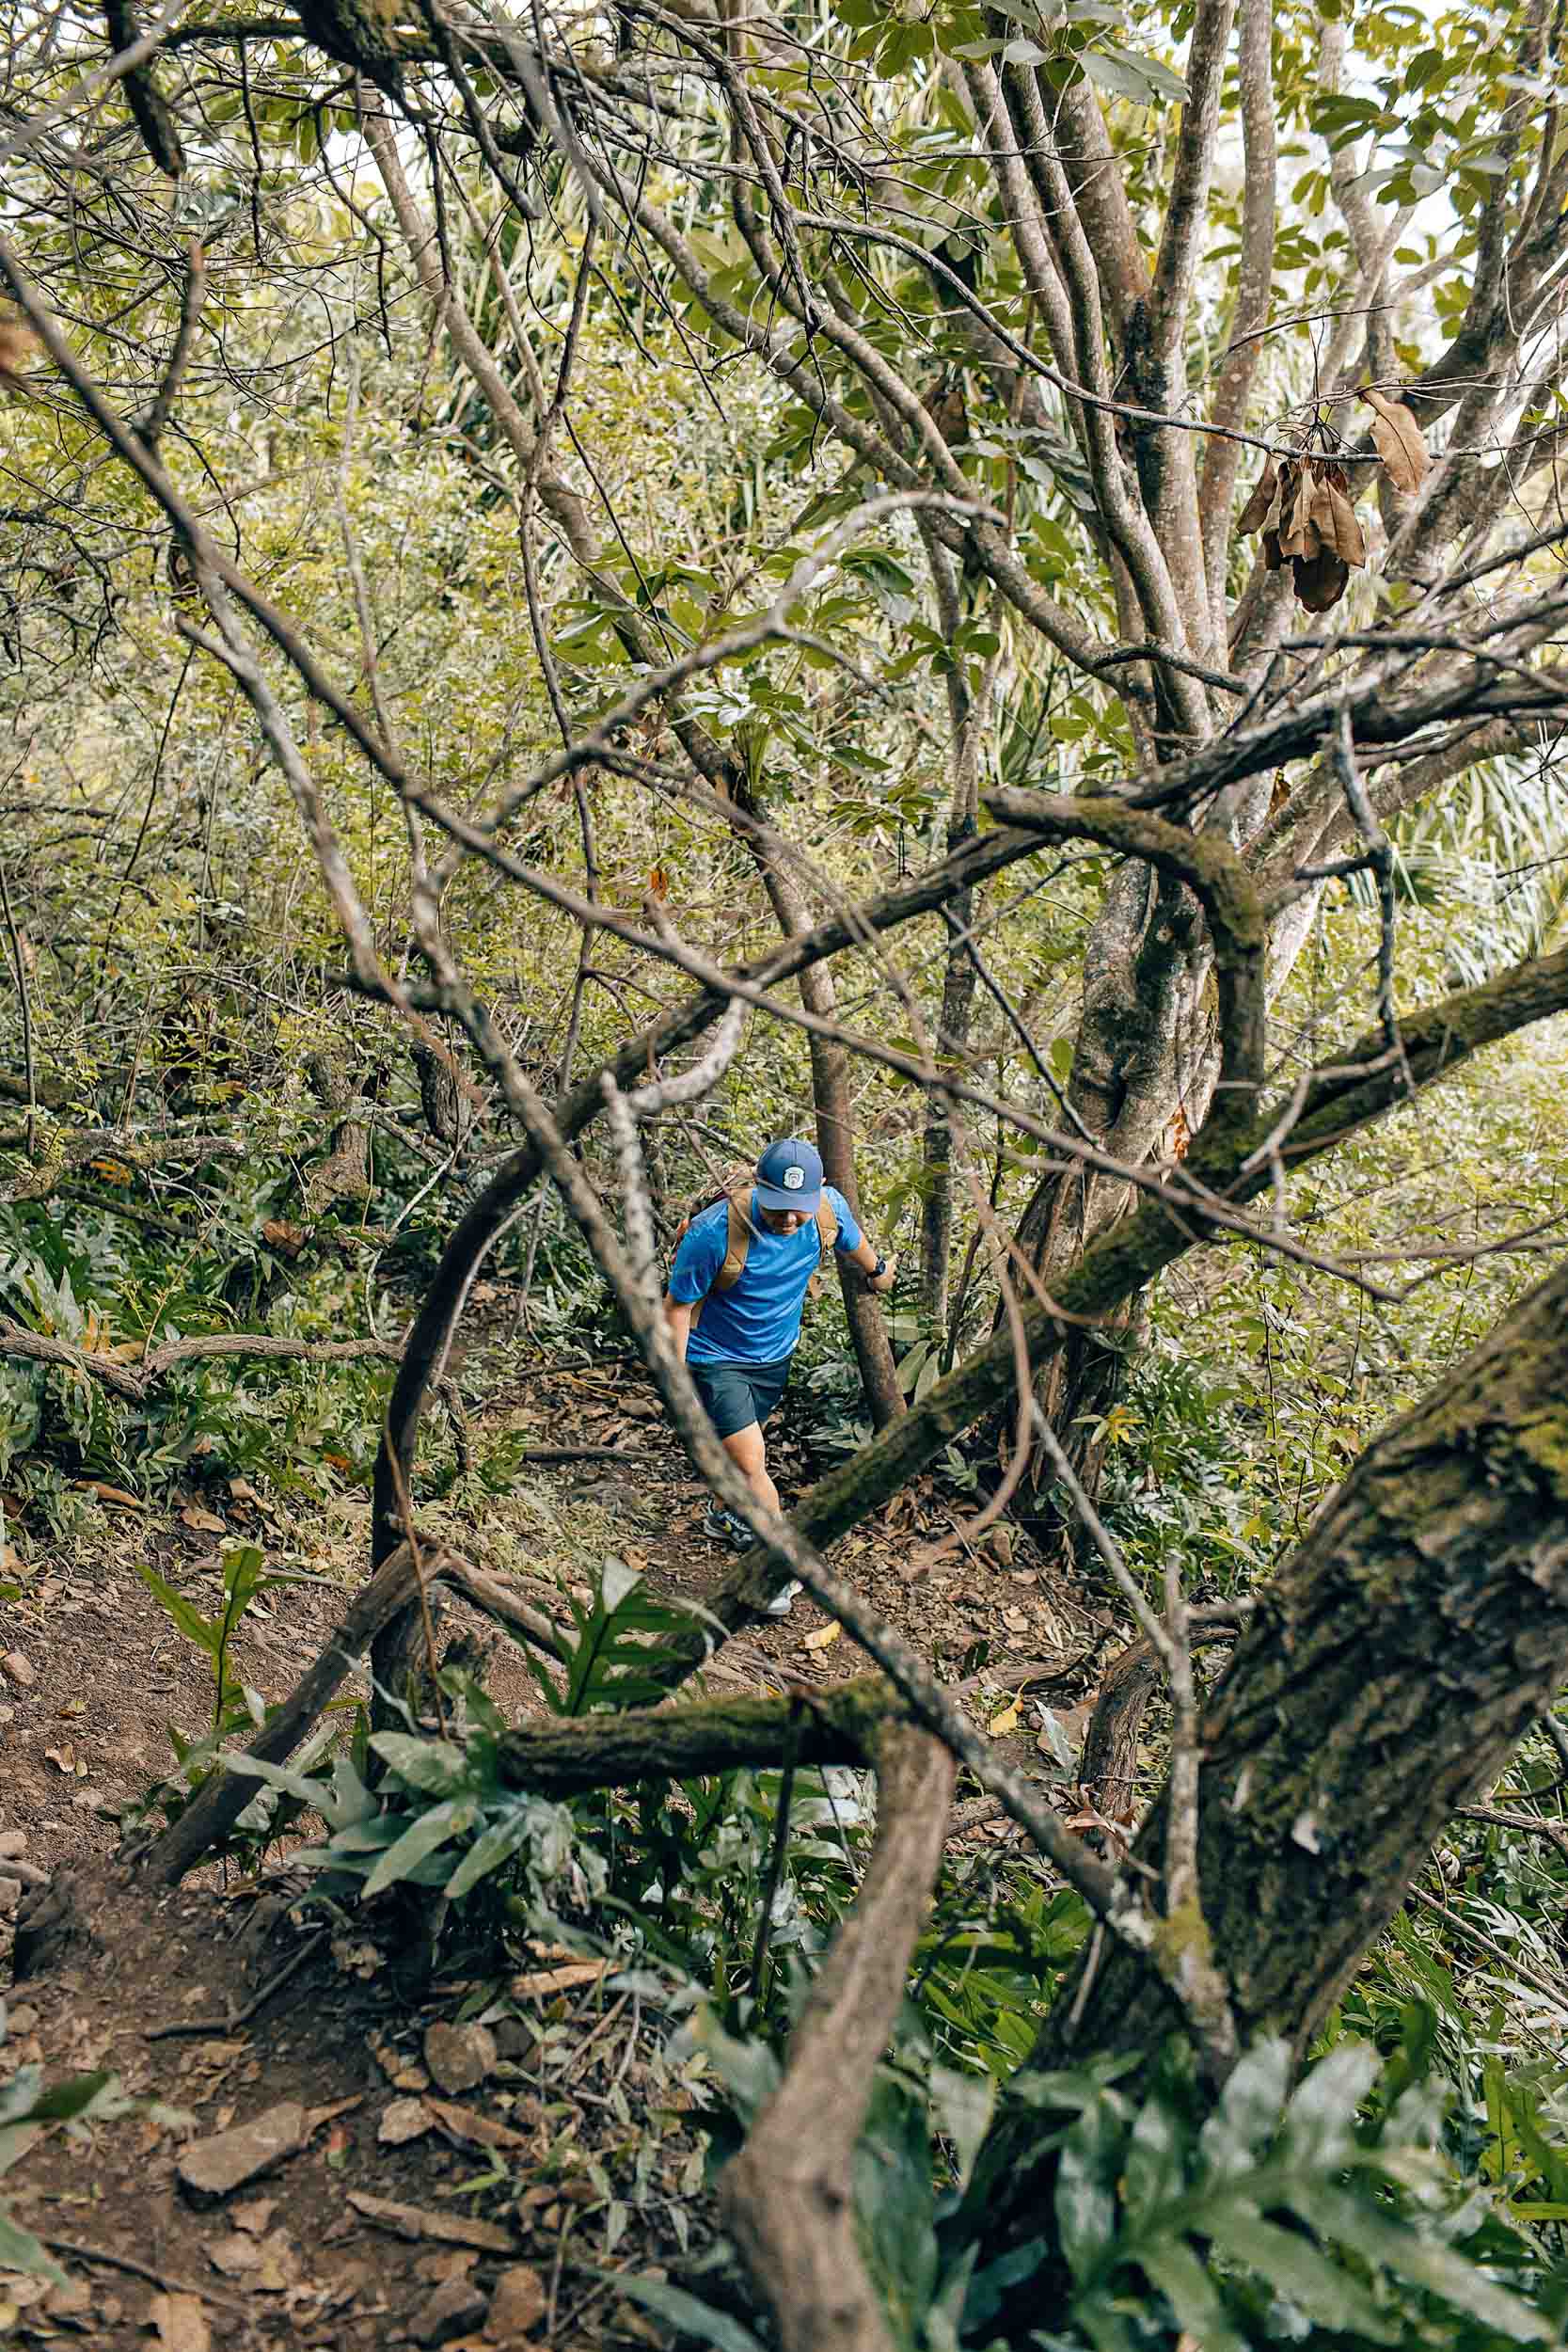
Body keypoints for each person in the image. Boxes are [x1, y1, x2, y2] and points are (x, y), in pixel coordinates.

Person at [664, 1136, 896, 1612]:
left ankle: (725, 1517)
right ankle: (776, 1570)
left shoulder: (827, 1212)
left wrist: (879, 1272)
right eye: (777, 1207)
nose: (788, 1219)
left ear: (819, 1192)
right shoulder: (713, 1233)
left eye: (798, 1209)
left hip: (774, 1357)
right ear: (757, 1186)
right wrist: (676, 1385)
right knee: (752, 1461)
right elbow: (676, 1309)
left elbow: (857, 1245)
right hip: (715, 1359)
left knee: (742, 1461)